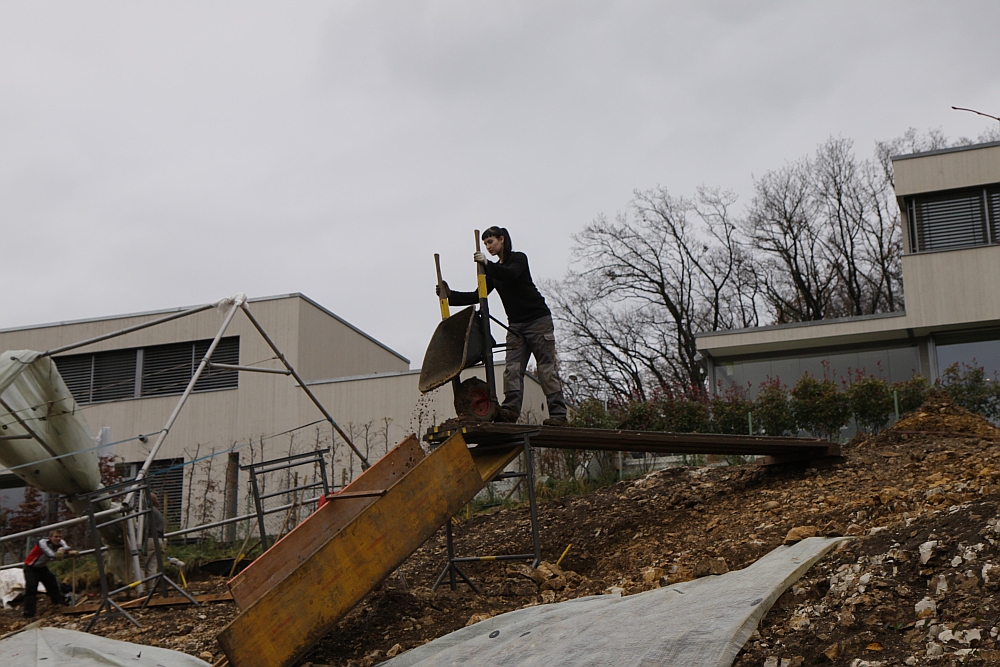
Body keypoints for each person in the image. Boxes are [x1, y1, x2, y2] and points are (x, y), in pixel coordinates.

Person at [438, 226, 568, 425]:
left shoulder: (518, 259)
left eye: (491, 242)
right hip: (515, 327)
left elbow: (511, 273)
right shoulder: (493, 272)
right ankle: (509, 413)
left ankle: (559, 415)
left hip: (538, 322)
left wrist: (487, 264)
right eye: (485, 244)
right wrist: (450, 295)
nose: (488, 247)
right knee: (512, 369)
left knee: (546, 368)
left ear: (502, 239)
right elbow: (477, 295)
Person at [22, 530, 77, 618]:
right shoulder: (42, 543)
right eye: (56, 537)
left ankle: (59, 605)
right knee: (31, 589)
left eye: (60, 537)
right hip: (30, 567)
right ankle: (29, 613)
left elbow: (67, 549)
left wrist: (70, 553)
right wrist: (65, 553)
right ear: (50, 538)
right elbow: (51, 554)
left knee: (53, 584)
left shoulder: (61, 542)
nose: (58, 539)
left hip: (42, 567)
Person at [143, 492, 165, 580]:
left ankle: (141, 589)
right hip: (159, 540)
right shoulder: (157, 512)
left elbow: (144, 526)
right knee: (151, 567)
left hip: (150, 539)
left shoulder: (148, 511)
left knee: (141, 565)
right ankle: (151, 588)